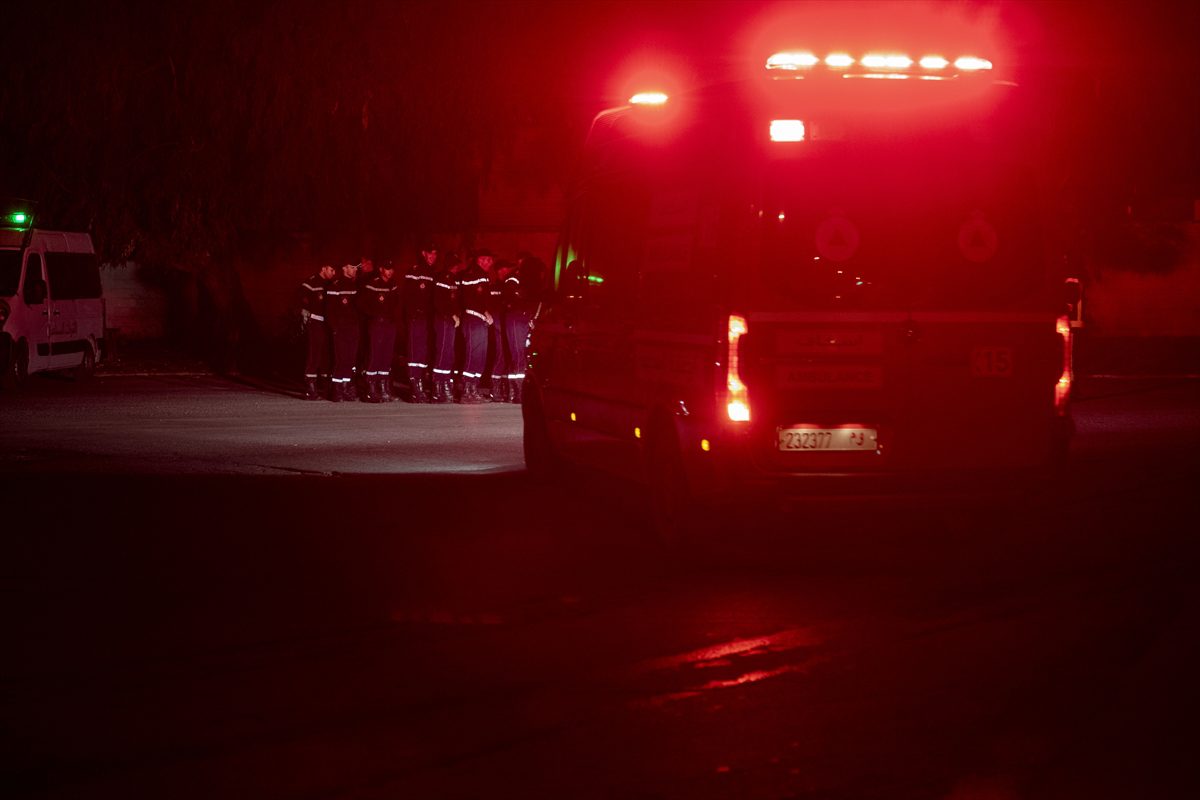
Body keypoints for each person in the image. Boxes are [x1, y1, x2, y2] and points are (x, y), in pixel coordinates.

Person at [357, 258, 400, 402]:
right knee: (374, 355)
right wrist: (375, 315)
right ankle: (370, 388)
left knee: (386, 356)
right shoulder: (372, 283)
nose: (390, 272)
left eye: (392, 269)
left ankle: (382, 387)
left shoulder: (394, 284)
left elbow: (397, 304)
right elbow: (362, 304)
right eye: (387, 269)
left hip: (390, 325)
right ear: (381, 269)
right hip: (376, 324)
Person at [502, 254, 542, 404]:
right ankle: (516, 390)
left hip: (525, 320)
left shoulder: (532, 281)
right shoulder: (513, 279)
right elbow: (513, 299)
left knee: (524, 355)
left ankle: (518, 389)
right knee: (517, 353)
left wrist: (532, 318)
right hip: (516, 319)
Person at [456, 248, 493, 403]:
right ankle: (467, 390)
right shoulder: (473, 275)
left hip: (480, 320)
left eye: (491, 260)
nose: (490, 263)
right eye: (487, 259)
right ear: (479, 260)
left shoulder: (482, 275)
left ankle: (474, 388)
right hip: (473, 318)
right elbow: (471, 298)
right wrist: (485, 312)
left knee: (480, 355)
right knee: (473, 354)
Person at [403, 245, 438, 402]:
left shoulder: (432, 272)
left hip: (427, 319)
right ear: (423, 253)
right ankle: (414, 385)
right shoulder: (414, 271)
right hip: (415, 318)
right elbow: (408, 296)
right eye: (430, 253)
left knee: (423, 353)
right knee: (414, 351)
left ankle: (421, 383)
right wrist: (412, 315)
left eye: (435, 254)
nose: (433, 257)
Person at [298, 263, 336, 400]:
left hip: (327, 323)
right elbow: (302, 299)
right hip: (315, 322)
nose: (333, 273)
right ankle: (310, 386)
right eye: (331, 270)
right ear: (323, 268)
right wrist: (304, 313)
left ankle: (325, 385)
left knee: (327, 354)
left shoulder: (331, 284)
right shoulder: (311, 282)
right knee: (314, 353)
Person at [325, 262, 361, 402]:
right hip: (341, 328)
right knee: (340, 358)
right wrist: (335, 328)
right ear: (344, 268)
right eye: (352, 267)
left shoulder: (355, 285)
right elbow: (329, 310)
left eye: (355, 268)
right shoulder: (335, 285)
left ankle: (345, 387)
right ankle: (336, 389)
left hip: (353, 328)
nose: (354, 270)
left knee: (350, 359)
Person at [430, 251, 462, 403]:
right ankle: (438, 386)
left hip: (449, 320)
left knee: (449, 353)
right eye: (456, 265)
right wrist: (451, 315)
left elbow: (454, 301)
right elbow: (440, 301)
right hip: (443, 320)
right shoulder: (442, 278)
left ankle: (445, 383)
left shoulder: (452, 280)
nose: (457, 268)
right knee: (442, 352)